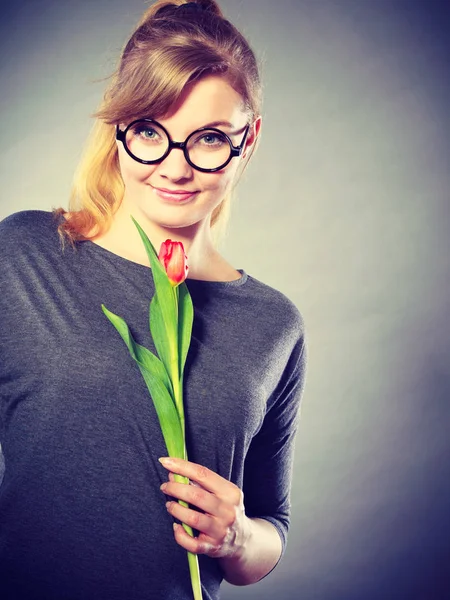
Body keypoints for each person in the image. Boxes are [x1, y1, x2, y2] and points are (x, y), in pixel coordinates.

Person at [0, 1, 308, 598]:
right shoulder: (24, 256)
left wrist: (239, 537)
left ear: (249, 141)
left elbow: (273, 527)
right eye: (149, 131)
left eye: (211, 138)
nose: (175, 167)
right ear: (119, 127)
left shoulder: (274, 324)